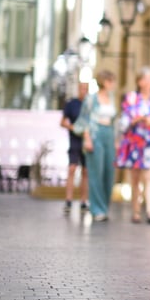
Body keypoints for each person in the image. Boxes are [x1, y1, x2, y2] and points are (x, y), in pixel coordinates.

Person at [116, 66, 150, 224]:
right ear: (139, 81)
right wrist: (137, 119)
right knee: (135, 178)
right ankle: (136, 210)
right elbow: (124, 121)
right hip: (136, 142)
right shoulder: (131, 98)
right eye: (146, 79)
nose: (149, 82)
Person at [76, 70, 118, 222]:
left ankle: (104, 206)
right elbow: (84, 120)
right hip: (95, 134)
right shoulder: (91, 99)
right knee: (96, 172)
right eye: (111, 81)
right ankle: (97, 209)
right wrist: (87, 138)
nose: (113, 84)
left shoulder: (111, 99)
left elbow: (114, 121)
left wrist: (116, 139)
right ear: (105, 82)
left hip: (109, 134)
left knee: (109, 172)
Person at [60, 81, 89, 214]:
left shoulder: (90, 105)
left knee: (85, 171)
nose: (83, 91)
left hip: (87, 141)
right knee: (72, 168)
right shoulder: (72, 104)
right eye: (81, 88)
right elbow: (62, 122)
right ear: (78, 89)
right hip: (75, 141)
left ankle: (83, 201)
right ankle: (68, 199)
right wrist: (74, 128)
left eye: (86, 89)